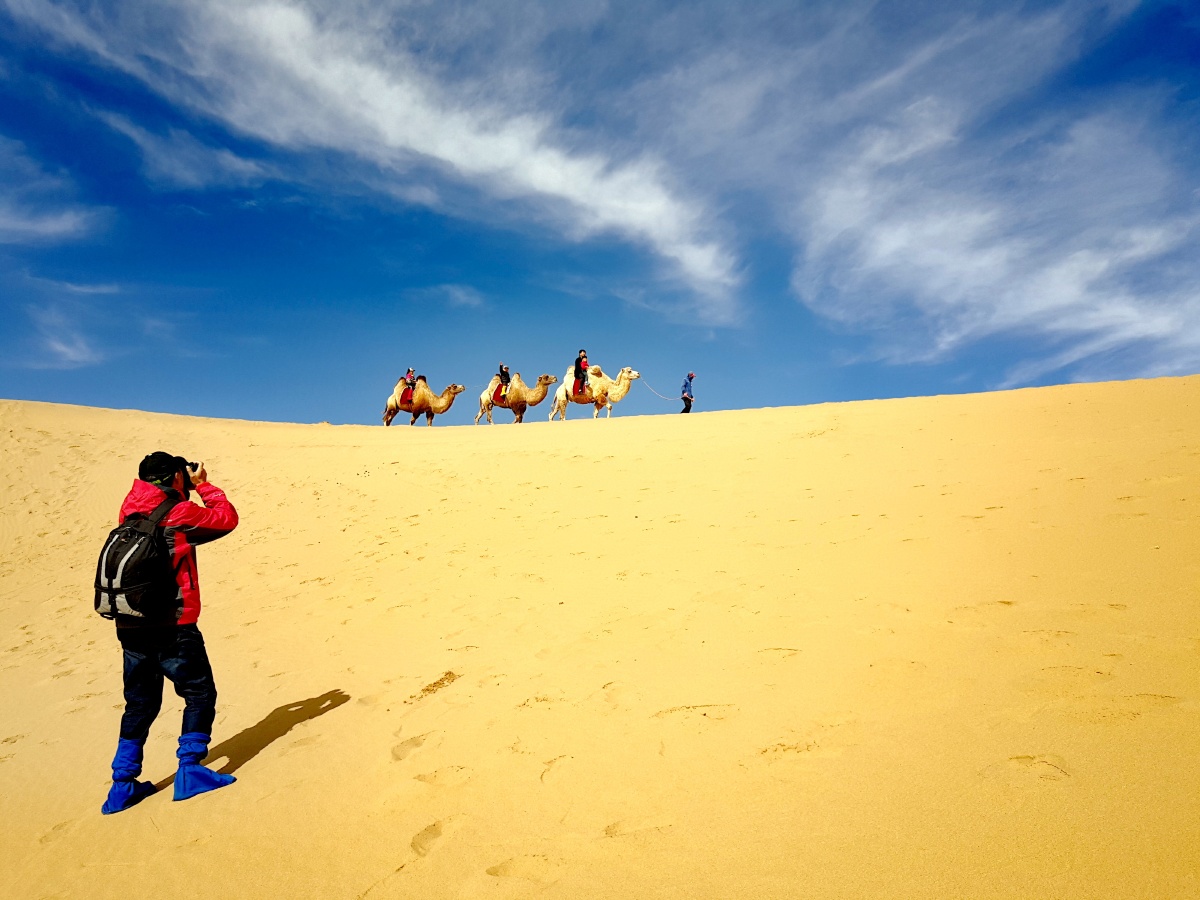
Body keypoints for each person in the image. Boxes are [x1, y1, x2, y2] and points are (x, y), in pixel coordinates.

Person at [100, 452, 239, 814]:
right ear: (177, 476)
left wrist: (181, 488)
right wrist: (203, 485)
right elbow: (225, 520)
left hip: (130, 626)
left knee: (140, 704)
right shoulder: (180, 513)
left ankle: (121, 785)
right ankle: (190, 770)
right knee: (199, 693)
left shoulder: (128, 511)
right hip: (173, 626)